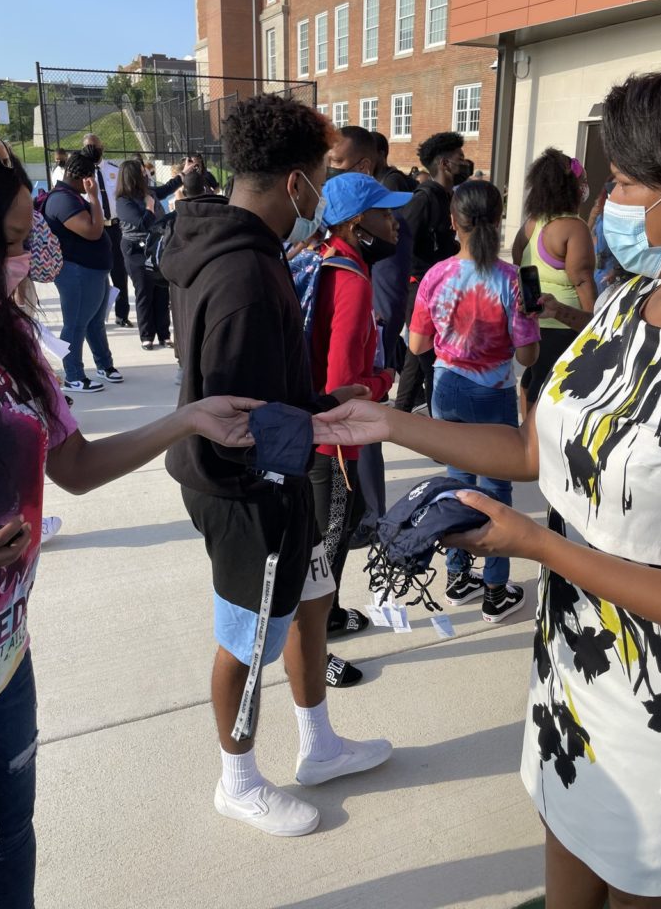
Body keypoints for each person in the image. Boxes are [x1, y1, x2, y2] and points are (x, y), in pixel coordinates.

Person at [313, 54, 661, 908]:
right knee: (563, 847)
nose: (602, 206)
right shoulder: (621, 305)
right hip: (569, 655)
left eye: (623, 183)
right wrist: (392, 421)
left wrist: (535, 545)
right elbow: (537, 452)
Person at [0, 121, 261, 909]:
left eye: (28, 238)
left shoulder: (14, 343)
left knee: (15, 833)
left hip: (1, 659)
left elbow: (76, 468)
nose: (28, 259)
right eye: (13, 240)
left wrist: (186, 420)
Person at [161, 94, 392, 839]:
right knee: (246, 638)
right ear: (296, 183)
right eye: (323, 175)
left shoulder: (248, 251)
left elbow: (260, 393)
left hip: (284, 471)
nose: (323, 192)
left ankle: (319, 744)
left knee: (310, 604)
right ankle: (238, 778)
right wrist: (317, 421)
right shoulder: (242, 277)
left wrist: (322, 402)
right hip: (247, 491)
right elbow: (235, 424)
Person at [409, 180, 539, 618]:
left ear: (453, 223)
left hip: (447, 390)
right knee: (496, 490)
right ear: (500, 221)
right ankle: (495, 590)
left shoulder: (435, 276)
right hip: (493, 394)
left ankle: (458, 575)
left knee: (458, 484)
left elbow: (417, 346)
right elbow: (528, 355)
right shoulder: (511, 281)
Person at [309, 173, 410, 649]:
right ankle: (316, 644)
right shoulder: (351, 283)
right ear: (355, 224)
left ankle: (326, 615)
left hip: (324, 436)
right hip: (333, 444)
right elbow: (338, 388)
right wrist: (385, 379)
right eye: (384, 213)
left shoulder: (332, 264)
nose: (394, 222)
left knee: (329, 539)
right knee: (328, 544)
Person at [511, 147, 596, 411]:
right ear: (570, 187)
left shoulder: (532, 223)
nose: (585, 187)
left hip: (531, 321)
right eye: (582, 182)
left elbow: (517, 261)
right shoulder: (573, 227)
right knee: (549, 389)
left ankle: (526, 437)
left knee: (532, 379)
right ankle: (535, 445)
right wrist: (594, 322)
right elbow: (583, 281)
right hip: (564, 324)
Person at [395, 132, 468, 414]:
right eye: (460, 159)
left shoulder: (449, 197)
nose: (465, 165)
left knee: (419, 354)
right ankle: (441, 428)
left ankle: (402, 413)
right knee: (433, 362)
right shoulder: (423, 200)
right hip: (421, 290)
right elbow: (402, 244)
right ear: (445, 164)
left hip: (438, 289)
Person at [43, 150, 123, 393]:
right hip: (77, 273)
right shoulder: (63, 200)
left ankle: (104, 365)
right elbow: (93, 231)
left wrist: (91, 199)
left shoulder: (74, 197)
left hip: (92, 271)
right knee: (76, 324)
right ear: (81, 177)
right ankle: (73, 376)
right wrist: (95, 199)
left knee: (94, 322)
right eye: (91, 178)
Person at [115, 158, 183, 350]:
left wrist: (183, 174)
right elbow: (143, 223)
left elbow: (167, 188)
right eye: (142, 172)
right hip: (136, 250)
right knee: (144, 291)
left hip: (156, 248)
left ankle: (164, 333)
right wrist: (150, 206)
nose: (146, 174)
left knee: (161, 289)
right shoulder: (123, 202)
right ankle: (147, 335)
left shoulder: (149, 193)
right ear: (134, 176)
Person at [81, 134, 132, 329]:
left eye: (96, 146)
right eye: (89, 147)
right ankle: (95, 316)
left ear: (102, 147)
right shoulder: (82, 173)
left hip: (115, 227)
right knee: (95, 274)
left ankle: (122, 314)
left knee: (120, 273)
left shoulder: (114, 170)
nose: (94, 149)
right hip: (93, 230)